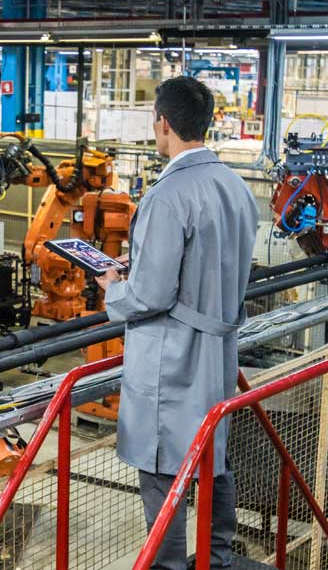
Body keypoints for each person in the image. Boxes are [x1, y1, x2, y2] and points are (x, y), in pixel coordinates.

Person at [95, 76, 258, 570]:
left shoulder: (168, 195)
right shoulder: (234, 186)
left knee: (164, 472)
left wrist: (113, 288)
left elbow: (152, 293)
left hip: (174, 358)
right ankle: (218, 558)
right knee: (213, 459)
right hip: (220, 350)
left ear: (162, 124)